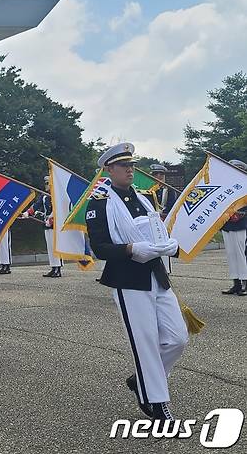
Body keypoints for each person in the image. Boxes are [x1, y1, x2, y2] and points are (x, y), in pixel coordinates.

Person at [85, 142, 187, 421]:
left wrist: (168, 244)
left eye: (131, 165)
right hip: (128, 279)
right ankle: (155, 400)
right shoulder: (100, 203)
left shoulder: (144, 198)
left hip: (156, 273)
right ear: (108, 169)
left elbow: (156, 231)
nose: (130, 170)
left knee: (178, 337)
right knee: (146, 342)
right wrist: (130, 249)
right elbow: (100, 248)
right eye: (123, 166)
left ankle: (141, 379)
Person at [219, 159, 247, 296]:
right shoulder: (226, 186)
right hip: (227, 224)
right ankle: (236, 283)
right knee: (231, 254)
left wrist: (240, 214)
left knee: (241, 253)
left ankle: (245, 282)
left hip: (241, 223)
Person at [26, 176, 62, 277]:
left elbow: (58, 209)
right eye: (45, 183)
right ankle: (53, 267)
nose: (46, 185)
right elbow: (37, 205)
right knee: (50, 247)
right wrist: (27, 213)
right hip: (46, 223)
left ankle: (58, 269)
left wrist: (51, 219)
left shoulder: (57, 195)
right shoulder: (44, 195)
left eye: (48, 183)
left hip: (55, 224)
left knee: (56, 247)